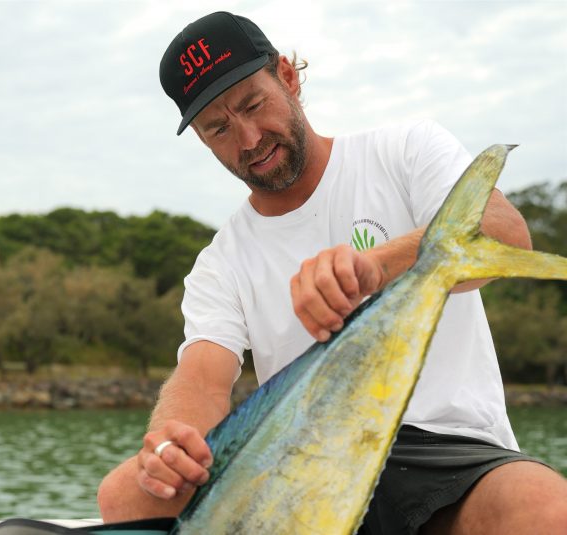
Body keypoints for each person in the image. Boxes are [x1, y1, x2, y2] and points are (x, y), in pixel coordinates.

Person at [97, 11, 567, 534]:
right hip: (299, 465)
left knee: (549, 511)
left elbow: (503, 231)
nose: (249, 138)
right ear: (203, 141)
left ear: (288, 77)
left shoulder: (405, 149)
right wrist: (171, 440)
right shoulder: (220, 261)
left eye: (254, 104)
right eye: (218, 128)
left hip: (448, 450)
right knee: (125, 494)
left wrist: (376, 266)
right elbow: (203, 377)